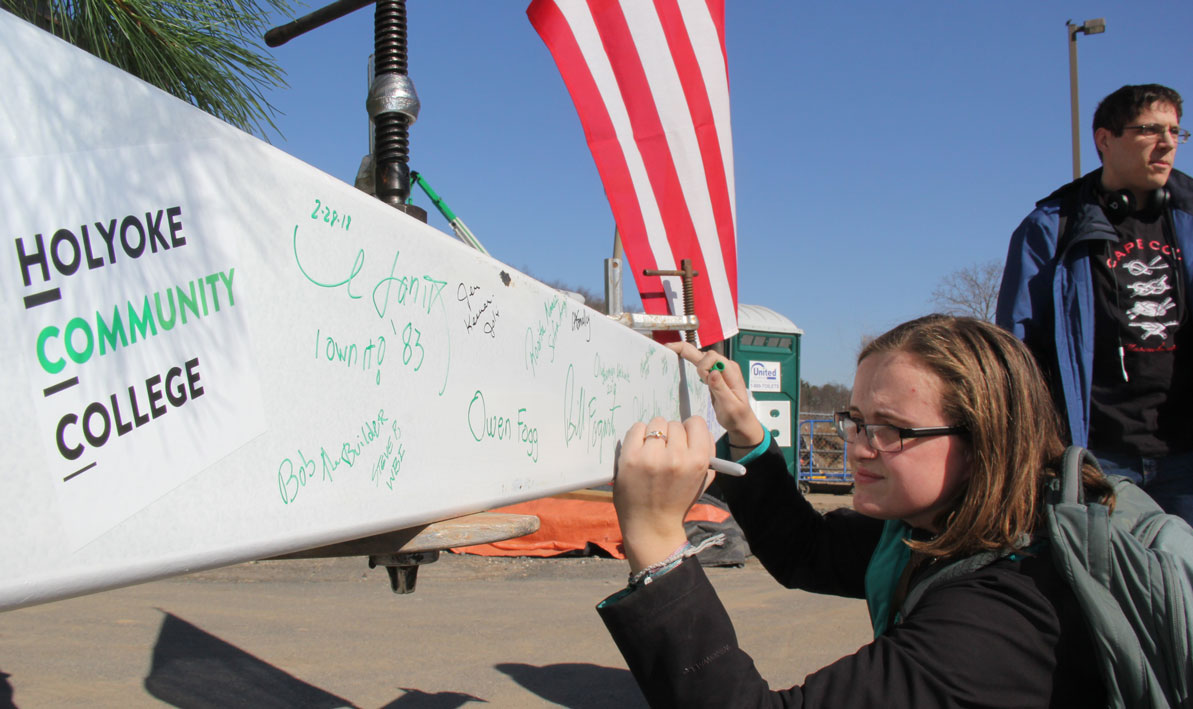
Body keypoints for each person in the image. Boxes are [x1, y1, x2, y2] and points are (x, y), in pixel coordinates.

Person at [599, 315, 1109, 707]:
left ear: (986, 444)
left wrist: (656, 538)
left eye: (890, 428)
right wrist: (745, 432)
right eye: (857, 420)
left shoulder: (1005, 615)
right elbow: (809, 551)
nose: (859, 447)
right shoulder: (936, 525)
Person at [996, 83, 1193, 525]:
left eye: (1176, 132)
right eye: (1149, 129)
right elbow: (1018, 349)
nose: (1166, 143)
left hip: (1186, 454)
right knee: (1106, 585)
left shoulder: (1190, 215)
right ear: (1105, 140)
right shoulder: (1053, 227)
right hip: (1098, 454)